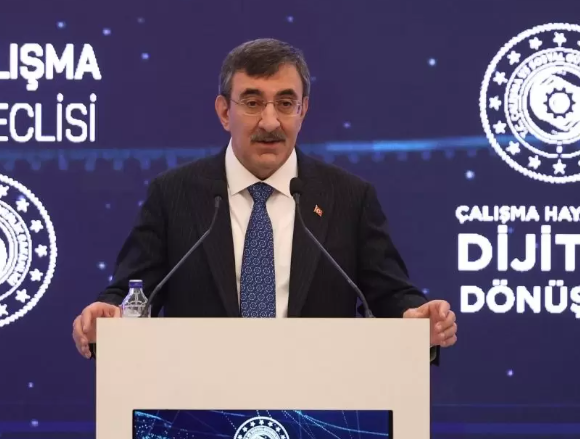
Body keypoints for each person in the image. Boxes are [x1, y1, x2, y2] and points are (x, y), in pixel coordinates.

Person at [72, 38, 457, 361]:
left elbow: (389, 294)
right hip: (200, 404)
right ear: (225, 112)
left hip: (317, 403)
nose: (270, 122)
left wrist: (415, 319)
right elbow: (135, 292)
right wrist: (107, 317)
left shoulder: (349, 198)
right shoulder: (173, 194)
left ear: (303, 111)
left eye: (286, 103)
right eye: (253, 102)